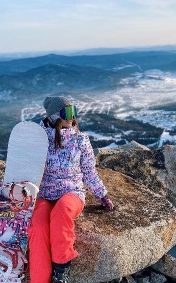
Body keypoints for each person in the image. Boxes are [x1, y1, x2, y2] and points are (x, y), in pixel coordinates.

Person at [28, 96, 114, 283]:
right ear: (52, 117)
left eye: (74, 111)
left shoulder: (80, 140)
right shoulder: (39, 139)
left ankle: (61, 268)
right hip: (44, 193)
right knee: (38, 224)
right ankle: (39, 279)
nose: (72, 116)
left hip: (72, 192)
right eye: (67, 112)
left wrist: (102, 195)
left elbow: (89, 171)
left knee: (62, 211)